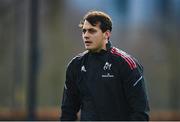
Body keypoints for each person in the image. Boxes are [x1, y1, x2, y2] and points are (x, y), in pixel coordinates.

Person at [60, 10, 150, 121]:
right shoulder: (75, 66)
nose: (86, 35)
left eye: (92, 31)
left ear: (106, 34)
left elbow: (140, 112)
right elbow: (68, 111)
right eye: (84, 31)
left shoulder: (126, 64)